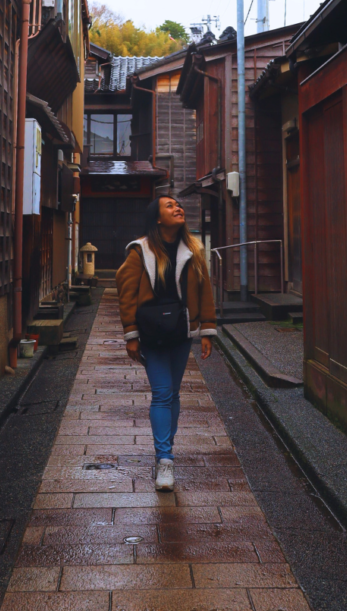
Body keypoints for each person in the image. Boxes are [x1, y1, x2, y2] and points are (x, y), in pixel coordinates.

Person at [115, 196, 217, 491]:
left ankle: (165, 450)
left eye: (178, 204)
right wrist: (131, 334)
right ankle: (165, 460)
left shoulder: (193, 249)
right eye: (170, 206)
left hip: (181, 331)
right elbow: (126, 292)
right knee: (162, 393)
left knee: (172, 393)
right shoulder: (140, 250)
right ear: (157, 218)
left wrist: (207, 330)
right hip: (152, 332)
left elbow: (204, 289)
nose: (178, 208)